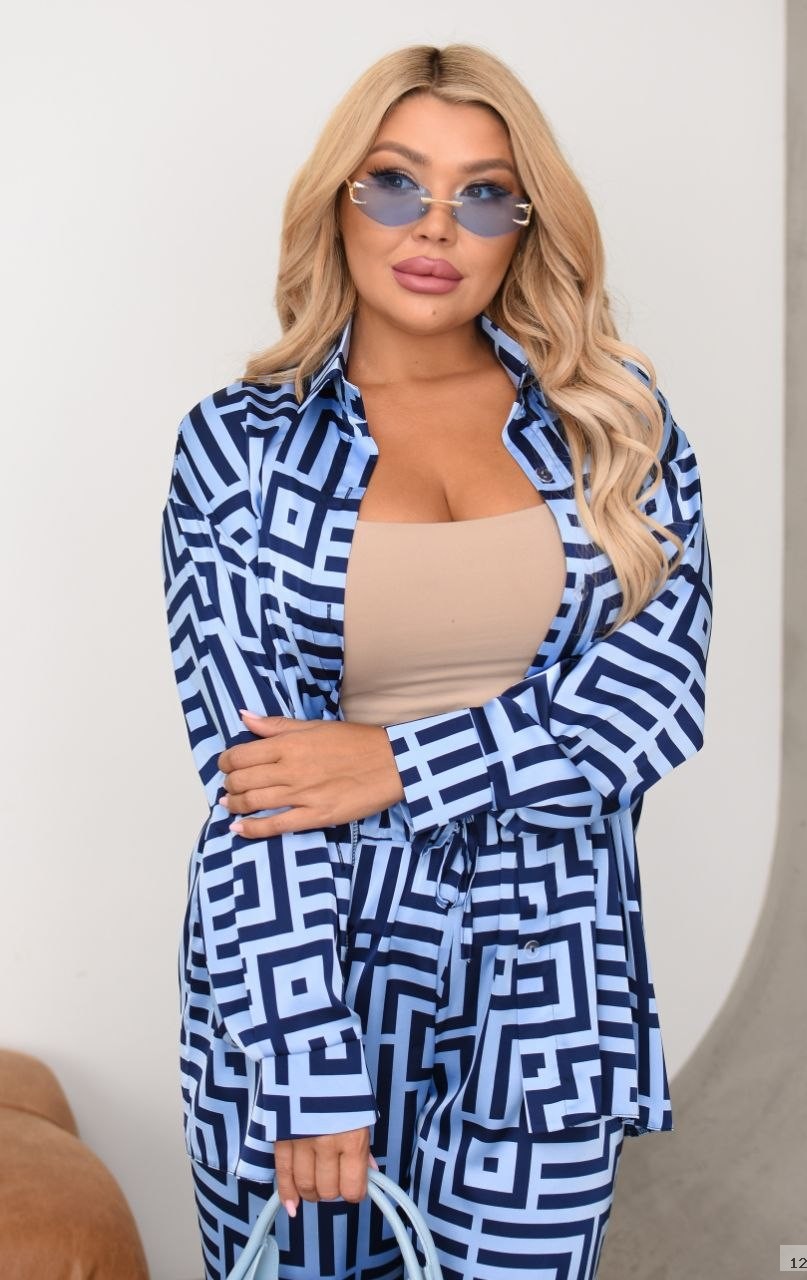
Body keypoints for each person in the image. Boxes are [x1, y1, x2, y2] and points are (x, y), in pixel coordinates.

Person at [160, 42, 713, 1280]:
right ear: (338, 202)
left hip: (550, 976)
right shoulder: (238, 448)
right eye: (396, 182)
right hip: (311, 965)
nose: (435, 225)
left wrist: (398, 763)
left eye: (483, 194)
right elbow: (257, 783)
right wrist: (304, 1060)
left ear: (524, 226)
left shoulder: (614, 426)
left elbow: (652, 701)